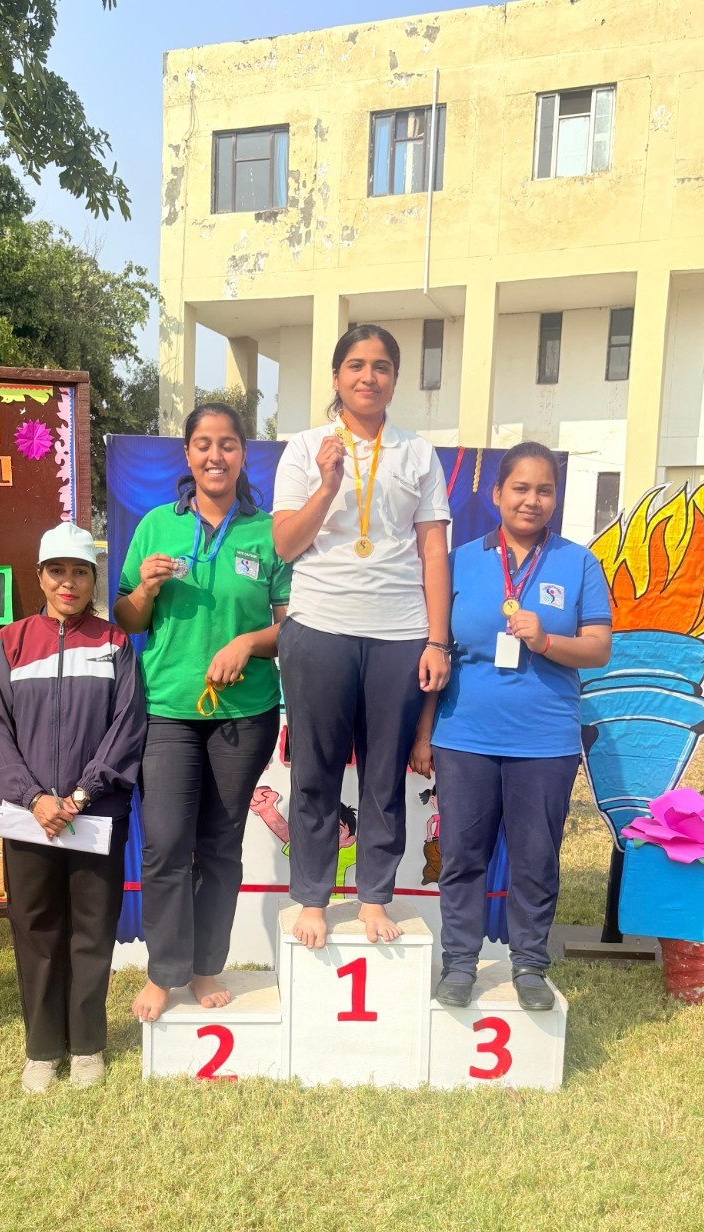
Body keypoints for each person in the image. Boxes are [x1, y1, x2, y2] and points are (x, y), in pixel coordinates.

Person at [411, 442, 613, 1011]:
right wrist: (424, 733)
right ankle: (459, 964)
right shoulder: (460, 561)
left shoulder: (578, 563)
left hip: (544, 742)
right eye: (520, 488)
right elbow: (437, 651)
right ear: (497, 494)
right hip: (464, 736)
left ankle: (529, 964)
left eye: (544, 490)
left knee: (534, 858)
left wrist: (546, 640)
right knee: (461, 856)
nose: (532, 500)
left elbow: (598, 649)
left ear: (556, 498)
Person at [271, 323, 451, 950]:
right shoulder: (305, 448)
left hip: (399, 634)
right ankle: (312, 897)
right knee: (315, 771)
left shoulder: (417, 453)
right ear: (336, 376)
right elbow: (286, 544)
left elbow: (433, 550)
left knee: (383, 776)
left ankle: (375, 896)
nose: (368, 376)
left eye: (380, 366)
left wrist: (436, 641)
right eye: (355, 365)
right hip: (319, 626)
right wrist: (327, 484)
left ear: (395, 380)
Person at [114, 403, 291, 1023]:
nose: (216, 455)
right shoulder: (156, 525)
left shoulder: (269, 532)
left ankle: (205, 965)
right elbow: (126, 618)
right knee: (165, 844)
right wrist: (145, 589)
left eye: (228, 444)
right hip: (168, 709)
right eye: (204, 444)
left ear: (244, 455)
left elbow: (291, 626)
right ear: (188, 455)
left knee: (220, 845)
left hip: (245, 714)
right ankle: (164, 971)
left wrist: (248, 643)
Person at [0, 524, 146, 1092]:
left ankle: (88, 1046)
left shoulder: (114, 644)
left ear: (93, 579)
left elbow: (128, 726)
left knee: (91, 929)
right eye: (57, 571)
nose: (68, 583)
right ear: (40, 577)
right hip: (29, 817)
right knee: (36, 929)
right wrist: (34, 797)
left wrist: (79, 796)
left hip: (94, 814)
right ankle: (42, 1048)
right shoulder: (10, 643)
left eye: (79, 572)